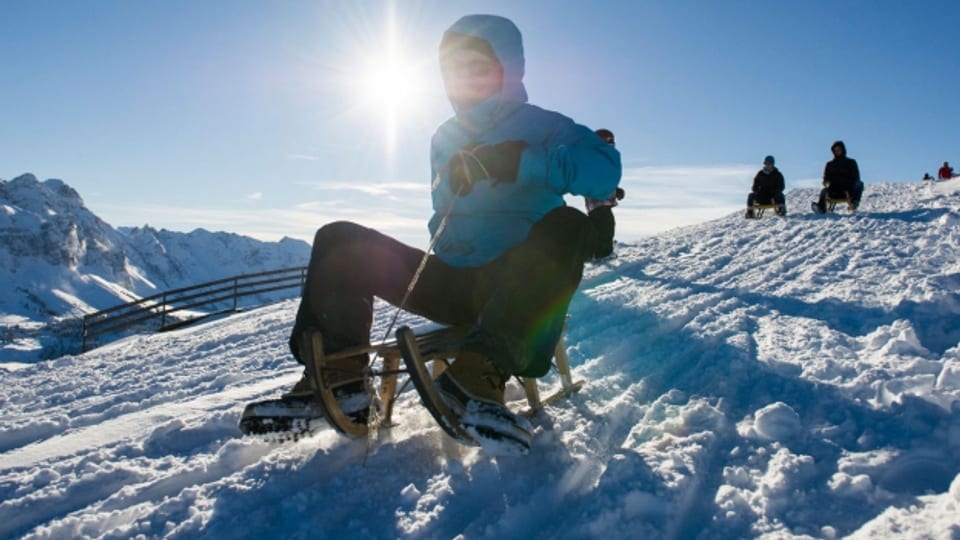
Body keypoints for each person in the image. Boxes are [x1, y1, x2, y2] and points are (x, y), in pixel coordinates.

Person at [282, 14, 621, 444]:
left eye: (477, 66)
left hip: (515, 287)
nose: (465, 79)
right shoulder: (445, 134)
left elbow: (605, 172)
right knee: (339, 239)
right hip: (452, 281)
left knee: (569, 224)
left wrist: (522, 161)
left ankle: (478, 375)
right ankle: (339, 379)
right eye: (454, 70)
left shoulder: (545, 125)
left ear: (507, 69)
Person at [584, 128, 626, 259]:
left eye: (609, 140)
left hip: (597, 200)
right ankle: (603, 253)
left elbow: (605, 179)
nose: (608, 143)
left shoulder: (596, 157)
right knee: (606, 226)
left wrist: (615, 190)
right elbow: (600, 179)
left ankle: (593, 251)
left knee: (598, 226)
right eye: (605, 140)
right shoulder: (597, 157)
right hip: (598, 199)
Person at [813, 140, 863, 213]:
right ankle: (821, 208)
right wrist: (826, 183)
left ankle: (854, 203)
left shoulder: (851, 162)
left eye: (839, 150)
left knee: (859, 184)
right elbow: (825, 178)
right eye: (835, 150)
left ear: (843, 150)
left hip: (848, 189)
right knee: (824, 191)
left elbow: (856, 177)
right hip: (834, 190)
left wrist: (848, 183)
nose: (837, 151)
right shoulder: (830, 164)